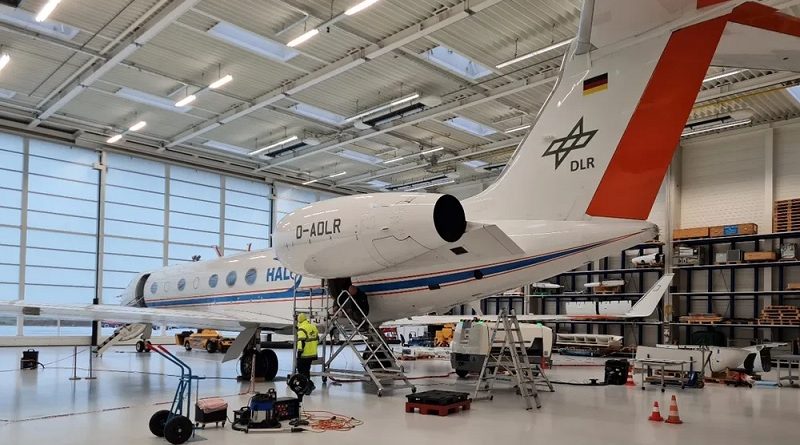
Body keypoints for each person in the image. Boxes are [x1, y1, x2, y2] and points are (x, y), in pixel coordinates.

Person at [295, 313, 319, 394]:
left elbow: (301, 342)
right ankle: (307, 387)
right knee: (306, 371)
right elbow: (317, 339)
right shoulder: (313, 327)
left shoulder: (302, 329)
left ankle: (308, 387)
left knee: (301, 371)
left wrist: (299, 353)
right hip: (312, 354)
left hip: (304, 354)